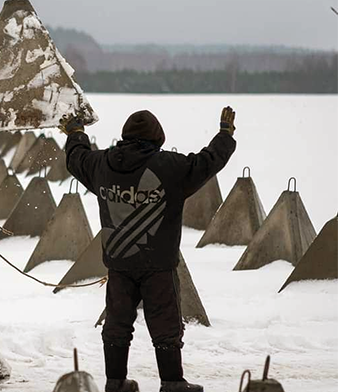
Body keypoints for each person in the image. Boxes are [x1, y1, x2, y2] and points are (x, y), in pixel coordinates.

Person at [59, 107, 237, 392]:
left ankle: (115, 382)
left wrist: (76, 133)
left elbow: (76, 158)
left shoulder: (102, 164)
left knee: (117, 323)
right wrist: (225, 135)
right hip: (158, 264)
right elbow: (207, 162)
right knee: (165, 325)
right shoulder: (170, 167)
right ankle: (172, 383)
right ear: (158, 139)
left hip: (119, 262)